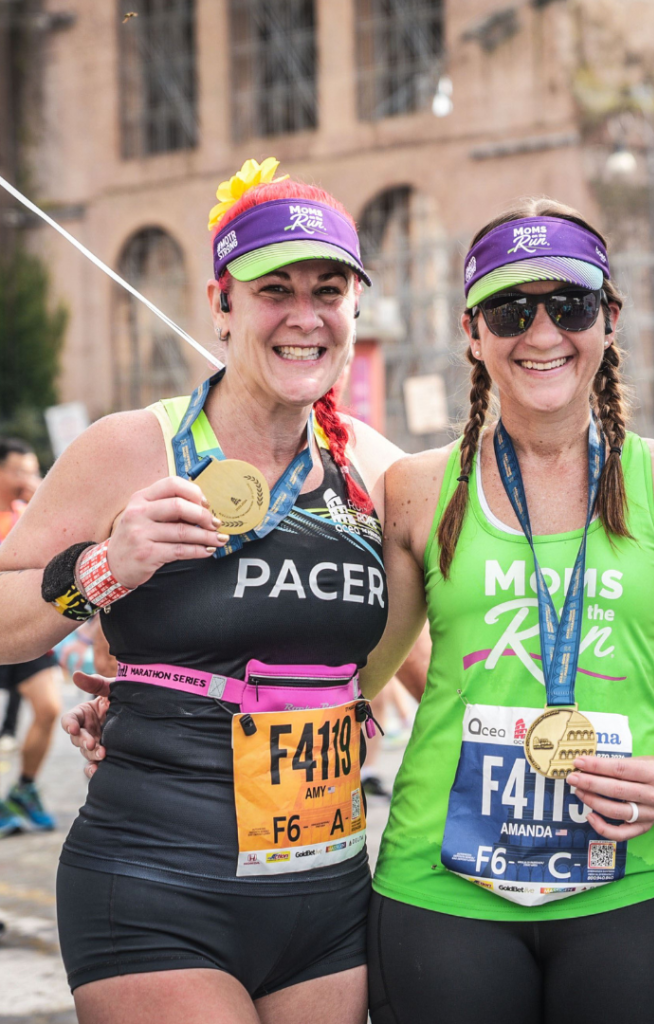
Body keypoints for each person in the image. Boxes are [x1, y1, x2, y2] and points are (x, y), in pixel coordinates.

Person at [0, 159, 407, 1023]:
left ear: (355, 308)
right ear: (221, 304)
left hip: (327, 893)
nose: (305, 315)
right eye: (274, 290)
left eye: (328, 289)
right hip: (154, 881)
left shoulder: (375, 467)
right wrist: (103, 568)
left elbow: (434, 649)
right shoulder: (131, 448)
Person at [361, 198, 654, 1024]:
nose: (541, 334)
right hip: (443, 887)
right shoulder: (417, 489)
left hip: (634, 880)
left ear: (608, 320)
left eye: (568, 305)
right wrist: (159, 711)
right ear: (473, 331)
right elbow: (352, 678)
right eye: (510, 309)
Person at [0, 437, 63, 833]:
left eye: (32, 469)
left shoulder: (30, 513)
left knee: (50, 709)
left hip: (22, 627)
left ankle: (23, 790)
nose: (28, 477)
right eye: (20, 470)